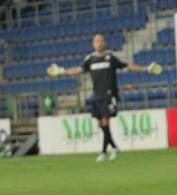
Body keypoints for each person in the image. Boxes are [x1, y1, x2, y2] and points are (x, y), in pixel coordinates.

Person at [46, 34, 162, 162]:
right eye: (96, 41)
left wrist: (145, 68)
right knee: (100, 123)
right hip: (97, 95)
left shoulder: (110, 57)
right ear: (93, 44)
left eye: (101, 41)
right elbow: (79, 69)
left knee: (106, 121)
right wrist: (63, 71)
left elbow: (127, 65)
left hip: (109, 94)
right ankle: (113, 147)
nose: (99, 43)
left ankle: (103, 152)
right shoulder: (90, 59)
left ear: (104, 43)